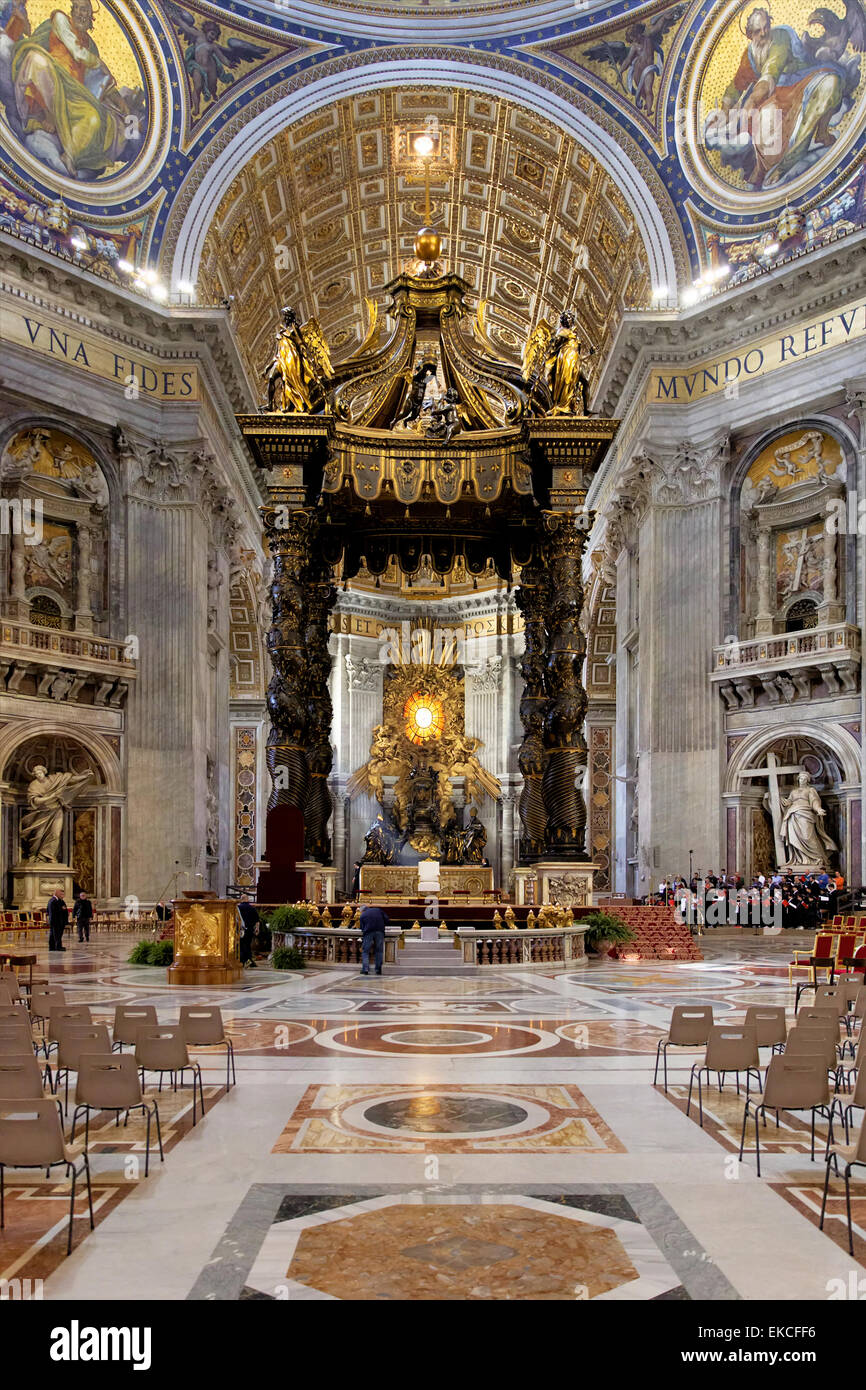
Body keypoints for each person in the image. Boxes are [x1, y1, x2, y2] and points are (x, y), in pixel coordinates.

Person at [359, 902, 388, 976]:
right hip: (380, 931)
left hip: (368, 932)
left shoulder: (362, 915)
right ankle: (378, 969)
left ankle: (365, 969)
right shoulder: (378, 910)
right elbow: (386, 919)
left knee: (365, 951)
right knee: (379, 950)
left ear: (362, 911)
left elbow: (362, 928)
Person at [237, 894, 259, 968]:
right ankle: (248, 961)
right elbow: (257, 920)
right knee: (248, 945)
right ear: (247, 899)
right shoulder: (252, 908)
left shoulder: (238, 908)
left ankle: (243, 961)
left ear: (241, 899)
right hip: (249, 929)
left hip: (240, 930)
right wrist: (257, 929)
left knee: (241, 945)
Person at [46, 886, 68, 951]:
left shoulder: (59, 901)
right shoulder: (53, 901)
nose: (63, 895)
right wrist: (62, 909)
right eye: (61, 894)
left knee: (55, 934)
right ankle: (58, 947)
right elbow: (53, 912)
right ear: (57, 894)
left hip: (58, 921)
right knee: (56, 935)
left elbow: (64, 909)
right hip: (56, 921)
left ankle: (53, 947)